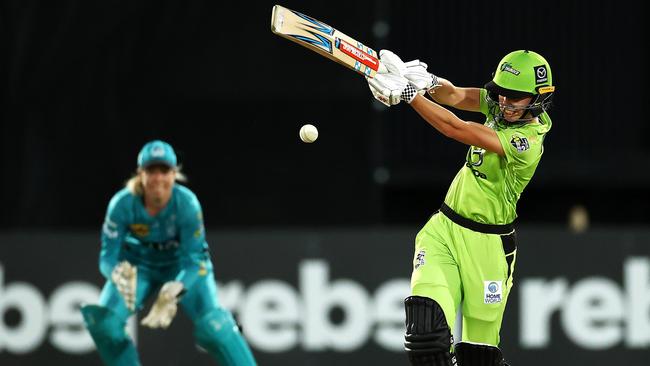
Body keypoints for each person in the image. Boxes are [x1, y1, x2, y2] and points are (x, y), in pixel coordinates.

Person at [367, 50, 555, 366]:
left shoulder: (528, 141)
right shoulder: (500, 106)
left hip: (490, 248)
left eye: (516, 98)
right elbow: (454, 95)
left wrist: (410, 95)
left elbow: (459, 129)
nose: (506, 104)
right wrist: (428, 82)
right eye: (502, 94)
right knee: (426, 337)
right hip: (444, 230)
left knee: (477, 359)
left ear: (538, 98)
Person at [80, 140, 257, 366]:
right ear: (140, 174)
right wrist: (116, 274)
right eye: (151, 170)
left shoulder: (187, 204)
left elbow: (195, 261)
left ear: (174, 174)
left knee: (216, 327)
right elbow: (107, 257)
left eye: (164, 170)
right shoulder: (122, 204)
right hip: (138, 269)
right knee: (105, 325)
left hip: (180, 268)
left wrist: (177, 289)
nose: (158, 178)